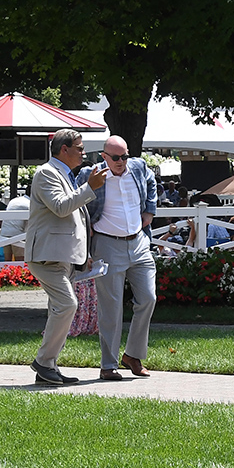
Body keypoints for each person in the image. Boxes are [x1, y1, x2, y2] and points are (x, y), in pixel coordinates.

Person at [24, 129, 107, 385]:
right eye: (79, 148)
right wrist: (89, 187)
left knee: (58, 309)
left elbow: (78, 218)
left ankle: (47, 367)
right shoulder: (47, 173)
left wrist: (86, 255)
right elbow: (61, 207)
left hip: (62, 256)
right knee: (67, 305)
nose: (83, 152)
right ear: (64, 149)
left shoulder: (63, 174)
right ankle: (43, 361)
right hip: (46, 256)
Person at [77, 135, 158, 380]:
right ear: (104, 157)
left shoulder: (138, 166)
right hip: (107, 244)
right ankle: (108, 365)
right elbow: (75, 197)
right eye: (116, 158)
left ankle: (133, 355)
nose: (121, 161)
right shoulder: (92, 175)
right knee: (110, 307)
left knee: (148, 298)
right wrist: (85, 224)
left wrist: (150, 210)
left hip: (139, 242)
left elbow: (152, 182)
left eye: (124, 156)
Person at [0, 185, 31, 262]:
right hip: (17, 234)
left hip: (4, 232)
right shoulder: (29, 203)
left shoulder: (15, 200)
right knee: (20, 261)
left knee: (8, 261)